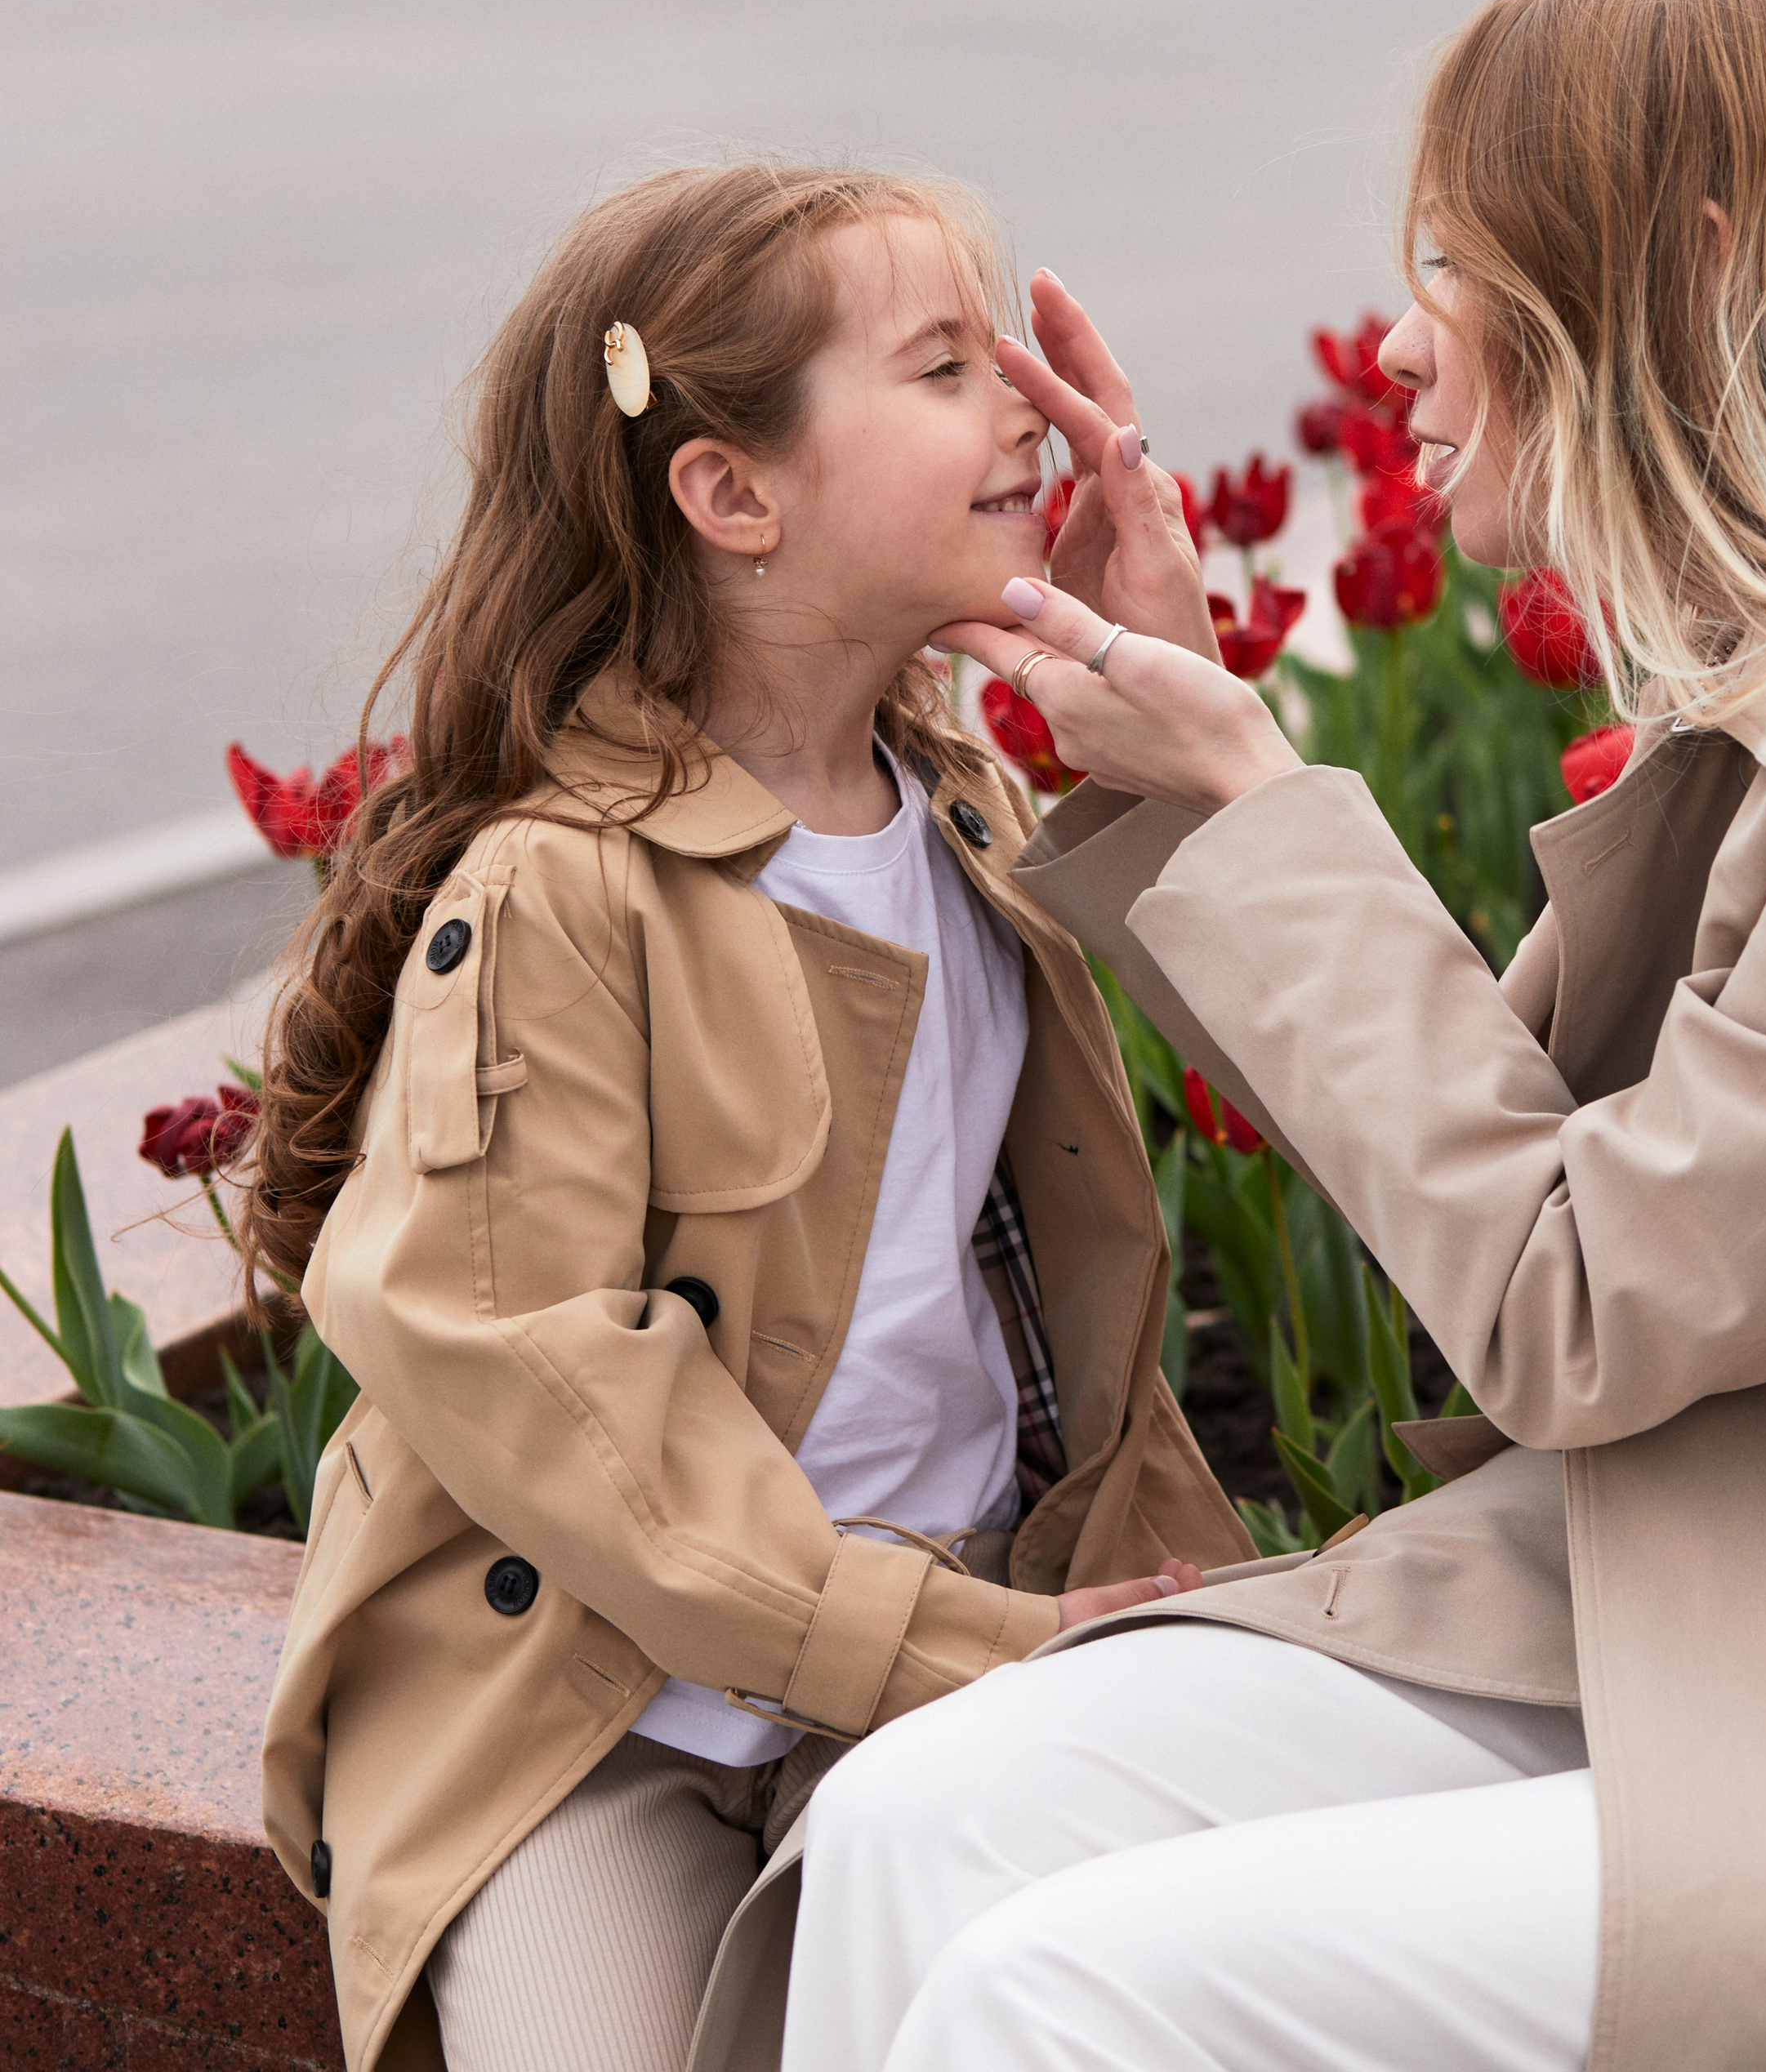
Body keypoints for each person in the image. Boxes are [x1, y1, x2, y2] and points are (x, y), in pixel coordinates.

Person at [782, 0, 1766, 2072]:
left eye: (1452, 268)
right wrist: (1196, 773)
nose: (1398, 343)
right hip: (1705, 1602)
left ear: (1684, 268)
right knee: (915, 1821)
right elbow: (1524, 1218)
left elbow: (1577, 1301)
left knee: (1061, 1992)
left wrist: (1259, 799)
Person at [242, 162, 1247, 2072]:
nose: (1032, 405)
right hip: (599, 1710)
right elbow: (557, 1404)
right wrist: (988, 1657)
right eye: (946, 365)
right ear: (731, 495)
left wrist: (1169, 699)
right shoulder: (562, 894)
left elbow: (1327, 1090)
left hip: (948, 1651)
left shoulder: (969, 818)